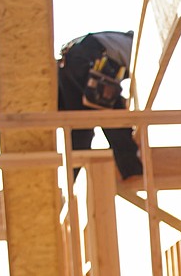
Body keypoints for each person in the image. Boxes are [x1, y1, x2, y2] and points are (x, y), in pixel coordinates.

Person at [57, 30, 143, 179]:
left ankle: (70, 186)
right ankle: (134, 170)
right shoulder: (144, 49)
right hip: (87, 58)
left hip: (68, 64)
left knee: (80, 130)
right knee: (111, 116)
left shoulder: (119, 41)